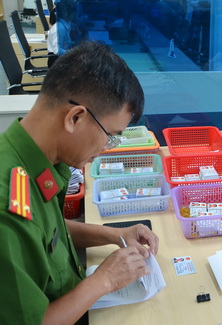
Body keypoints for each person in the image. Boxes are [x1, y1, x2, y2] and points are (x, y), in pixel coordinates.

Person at [0, 41, 158, 324]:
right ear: (75, 117)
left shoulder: (32, 161)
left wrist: (114, 235)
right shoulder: (7, 207)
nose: (107, 147)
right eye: (110, 135)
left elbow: (47, 235)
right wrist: (105, 280)